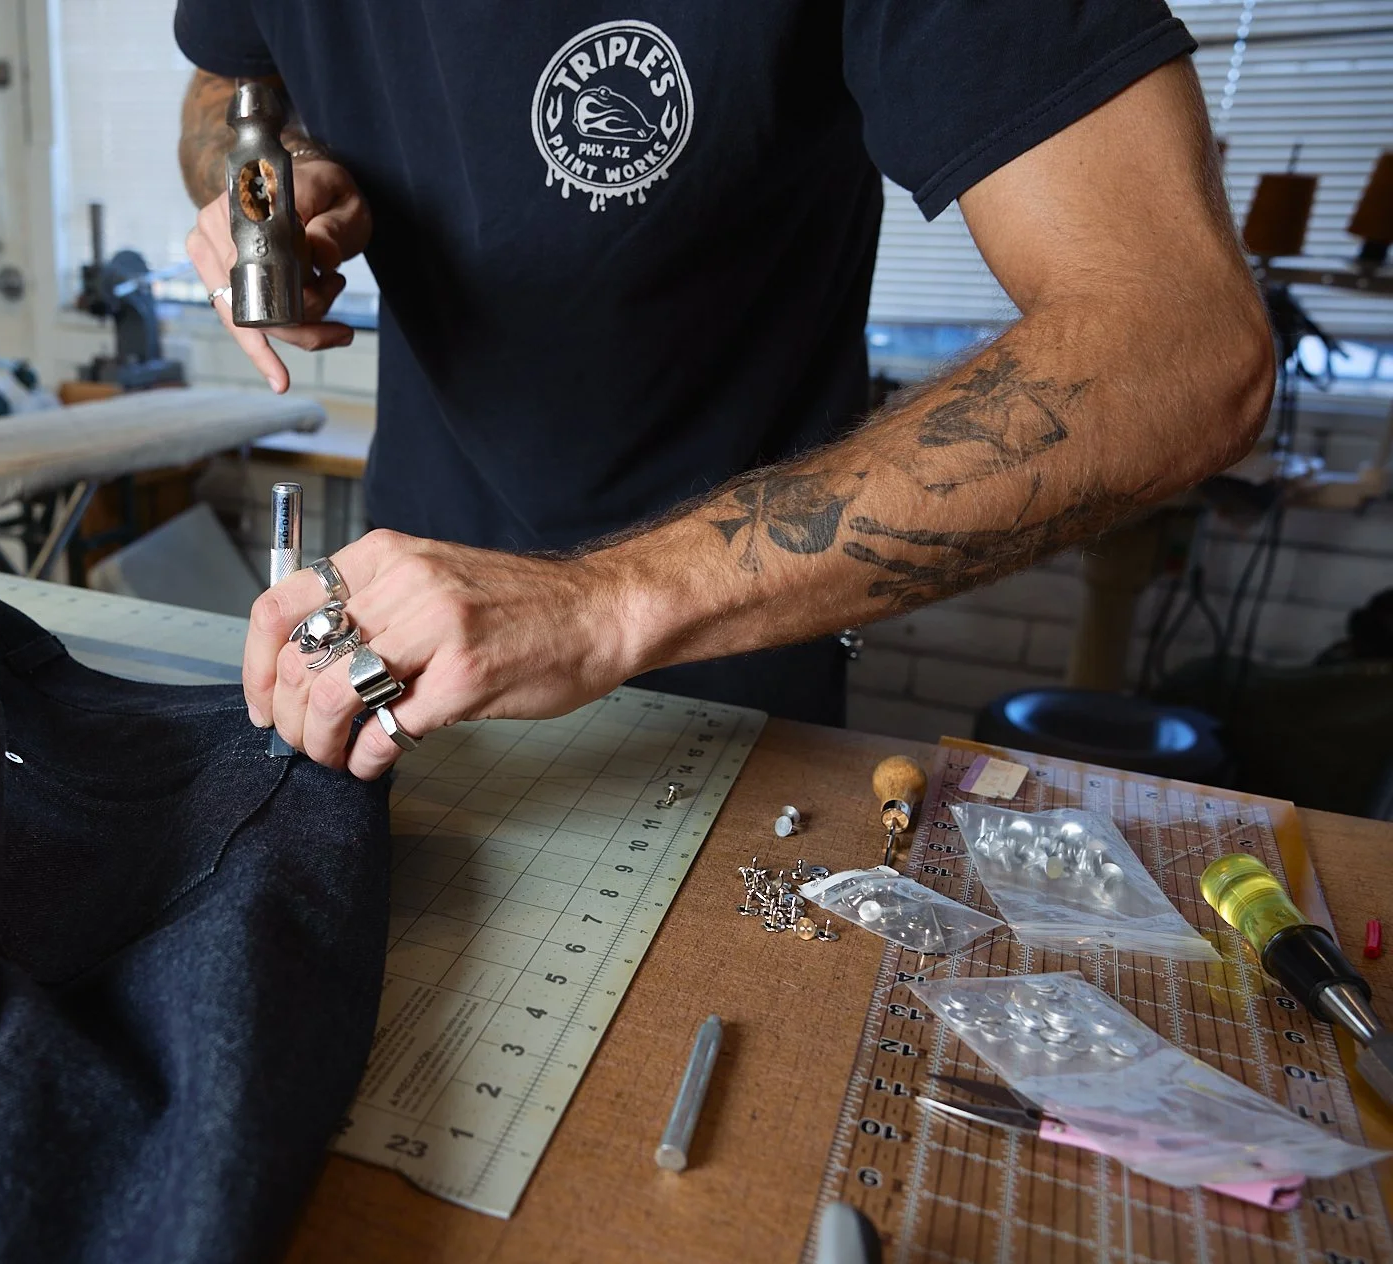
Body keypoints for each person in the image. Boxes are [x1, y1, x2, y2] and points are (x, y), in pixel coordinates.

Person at [172, 1, 1274, 779]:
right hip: (410, 593)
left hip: (723, 630)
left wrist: (599, 605)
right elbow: (230, 80)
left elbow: (1179, 345)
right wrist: (270, 175)